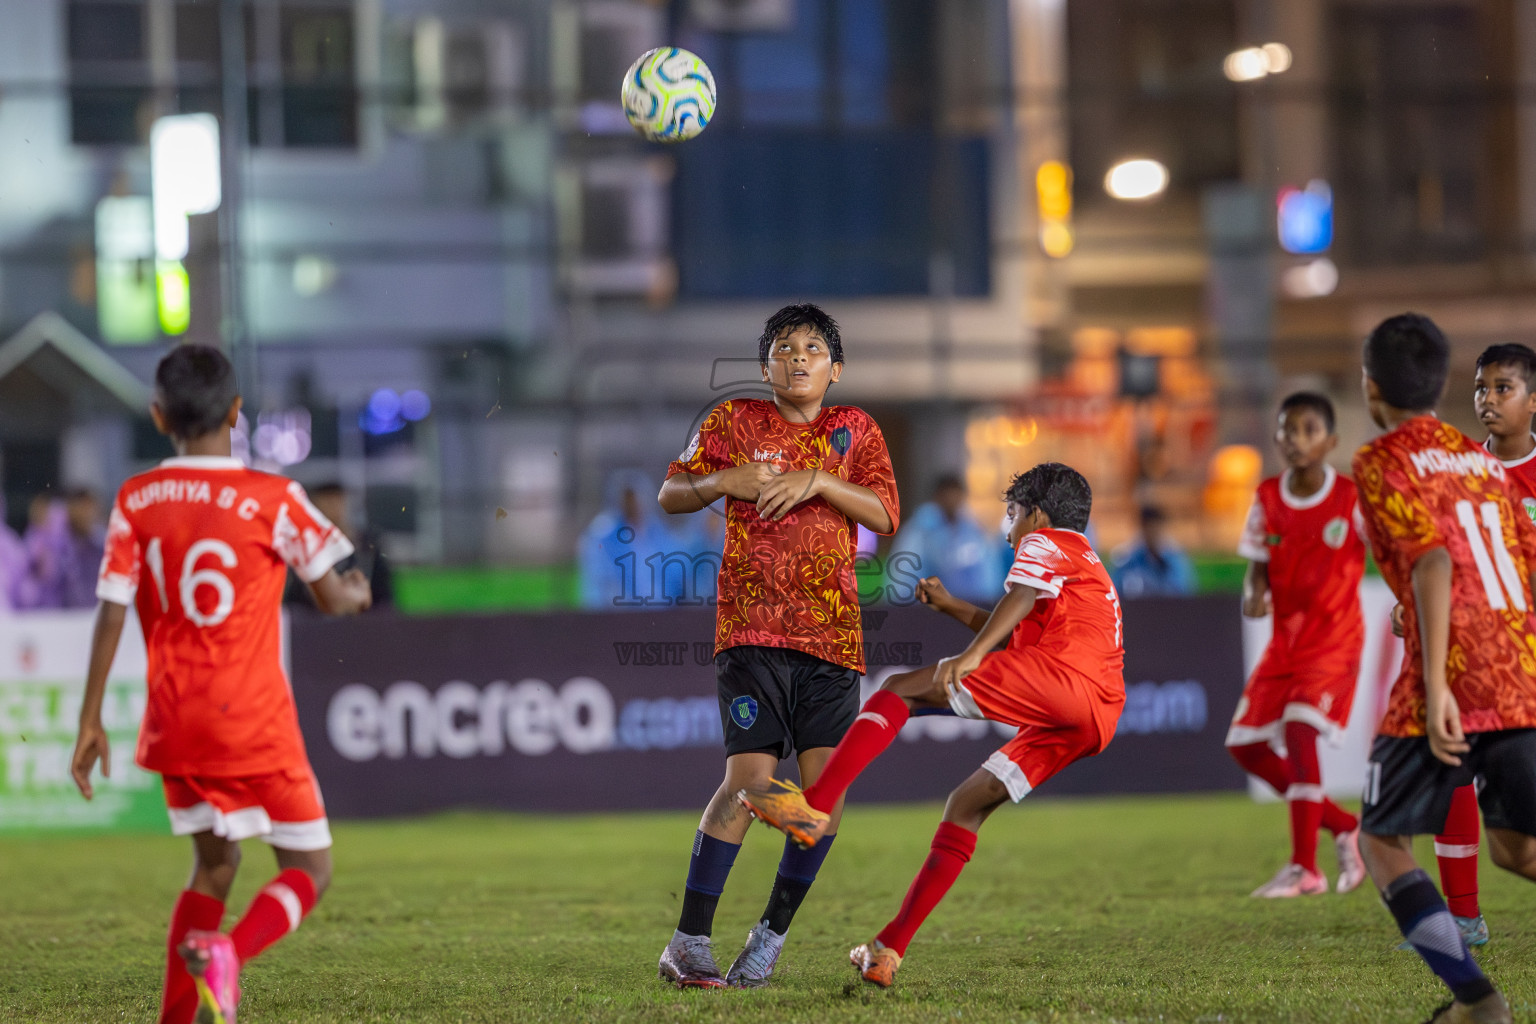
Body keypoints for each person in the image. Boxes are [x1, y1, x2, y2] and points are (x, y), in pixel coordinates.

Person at [69, 345, 372, 1024]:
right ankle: (228, 951)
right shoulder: (273, 497)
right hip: (252, 721)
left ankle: (177, 1018)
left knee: (214, 866)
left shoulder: (137, 499)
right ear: (237, 414)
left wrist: (90, 721)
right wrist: (356, 592)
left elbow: (112, 610)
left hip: (175, 724)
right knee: (311, 869)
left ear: (158, 416)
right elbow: (331, 597)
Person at [740, 462, 1124, 990]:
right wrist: (953, 608)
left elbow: (1018, 600)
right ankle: (887, 950)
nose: (1006, 530)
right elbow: (1018, 636)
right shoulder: (1085, 564)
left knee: (900, 689)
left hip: (1064, 681)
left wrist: (968, 658)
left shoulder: (1047, 541)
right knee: (965, 805)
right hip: (1096, 714)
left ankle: (814, 806)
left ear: (1035, 514)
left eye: (1010, 515)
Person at [654, 303, 899, 988]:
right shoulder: (733, 423)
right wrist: (719, 483)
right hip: (751, 632)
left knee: (826, 796)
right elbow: (672, 492)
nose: (799, 357)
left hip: (833, 639)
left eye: (814, 347)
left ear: (836, 367)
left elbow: (885, 513)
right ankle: (689, 942)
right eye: (784, 347)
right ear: (765, 366)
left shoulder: (857, 432)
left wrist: (820, 481)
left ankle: (767, 940)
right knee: (751, 783)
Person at [1353, 313, 1536, 1024]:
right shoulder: (1481, 459)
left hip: (1453, 677)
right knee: (1518, 850)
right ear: (1446, 385)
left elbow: (1430, 560)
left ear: (1372, 389)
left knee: (1381, 840)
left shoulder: (1380, 461)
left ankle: (1477, 1001)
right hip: (1517, 674)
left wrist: (1434, 692)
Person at [1225, 393, 1366, 898]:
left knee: (1301, 734)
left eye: (1308, 430)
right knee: (1244, 747)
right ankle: (1345, 824)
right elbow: (1256, 571)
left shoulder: (1351, 498)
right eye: (1287, 430)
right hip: (1284, 644)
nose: (1296, 439)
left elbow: (1391, 553)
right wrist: (1253, 596)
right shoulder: (1266, 496)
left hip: (1334, 641)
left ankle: (1305, 868)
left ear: (1330, 441)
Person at [888, 473, 1010, 605]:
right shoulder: (919, 532)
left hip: (970, 610)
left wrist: (986, 604)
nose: (951, 500)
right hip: (927, 612)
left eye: (955, 495)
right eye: (946, 496)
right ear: (937, 497)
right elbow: (903, 578)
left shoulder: (973, 530)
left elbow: (989, 575)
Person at [577, 469, 691, 609]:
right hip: (622, 619)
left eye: (635, 497)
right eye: (628, 498)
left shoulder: (658, 533)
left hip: (661, 617)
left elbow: (677, 575)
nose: (633, 503)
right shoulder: (604, 537)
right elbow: (598, 584)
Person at [283, 482, 394, 609]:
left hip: (364, 620)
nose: (333, 509)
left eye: (337, 502)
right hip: (314, 621)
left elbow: (384, 596)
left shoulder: (368, 547)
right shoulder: (303, 548)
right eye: (327, 502)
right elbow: (294, 599)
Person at [1110, 504, 1195, 597]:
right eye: (1149, 528)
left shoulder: (1176, 560)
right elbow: (1114, 594)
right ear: (1142, 528)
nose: (1153, 534)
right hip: (1135, 610)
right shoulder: (1126, 560)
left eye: (1156, 529)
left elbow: (1186, 594)